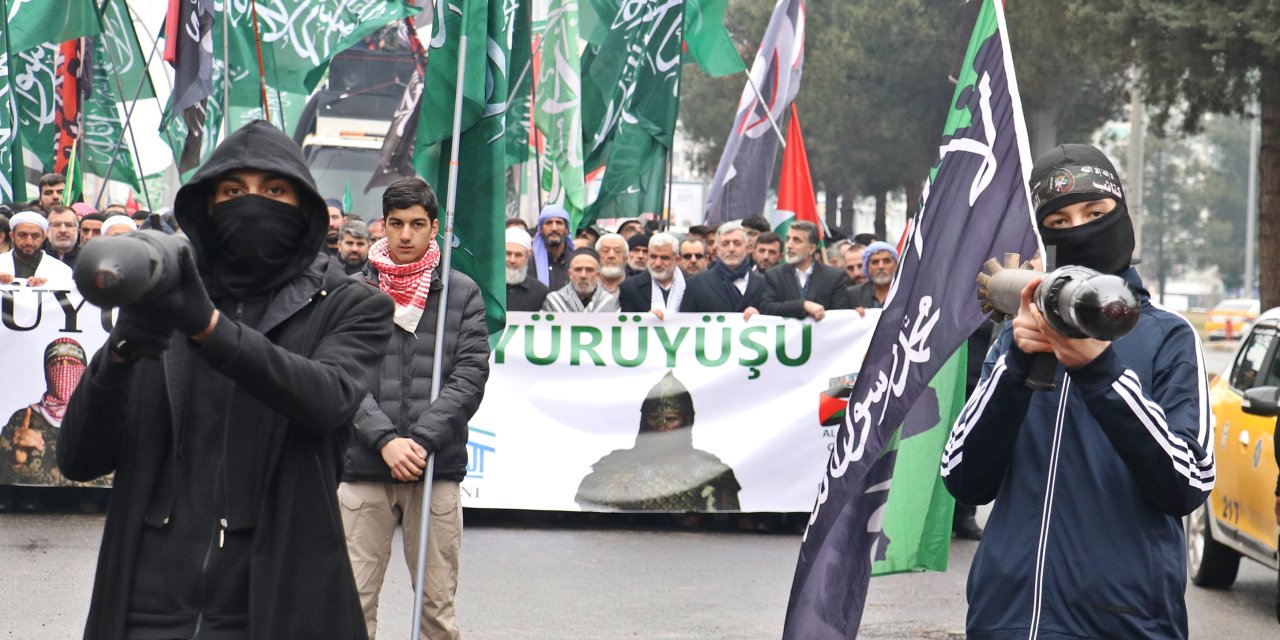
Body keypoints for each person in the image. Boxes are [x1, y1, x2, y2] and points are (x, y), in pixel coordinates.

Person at [57, 120, 394, 639]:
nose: (251, 203)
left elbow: (326, 400)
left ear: (304, 209)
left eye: (274, 190)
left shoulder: (353, 305)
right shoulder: (163, 300)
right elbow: (79, 458)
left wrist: (210, 329)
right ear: (205, 207)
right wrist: (119, 357)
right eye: (233, 191)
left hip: (277, 609)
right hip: (147, 611)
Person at [940, 143, 1213, 639]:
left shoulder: (1167, 336)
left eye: (1095, 212)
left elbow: (1187, 483)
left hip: (1126, 622)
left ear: (1122, 214)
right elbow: (963, 478)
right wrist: (1018, 363)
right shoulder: (1017, 334)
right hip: (1007, 618)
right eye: (1059, 222)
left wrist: (1101, 372)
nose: (1079, 228)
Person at [340, 177, 489, 640]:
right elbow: (339, 377)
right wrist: (384, 440)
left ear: (435, 228)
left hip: (435, 469)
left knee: (437, 611)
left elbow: (471, 375)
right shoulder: (351, 292)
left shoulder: (461, 293)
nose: (406, 235)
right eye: (397, 224)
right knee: (351, 604)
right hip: (363, 466)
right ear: (381, 227)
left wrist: (421, 441)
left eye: (418, 225)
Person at [575, 371, 741, 511]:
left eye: (671, 418)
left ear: (686, 421)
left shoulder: (707, 470)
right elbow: (596, 516)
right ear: (644, 421)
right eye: (654, 418)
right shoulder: (617, 466)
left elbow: (723, 525)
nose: (662, 426)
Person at [758, 221, 851, 321]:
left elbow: (840, 315)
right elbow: (766, 308)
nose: (789, 245)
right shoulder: (774, 275)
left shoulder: (834, 277)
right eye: (788, 239)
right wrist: (803, 305)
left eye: (797, 240)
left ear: (812, 248)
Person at [681, 221, 765, 315]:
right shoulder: (695, 284)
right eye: (725, 244)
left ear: (747, 248)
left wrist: (760, 316)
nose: (731, 249)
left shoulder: (764, 283)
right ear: (716, 249)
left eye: (737, 243)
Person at [0, 211, 74, 287]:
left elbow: (66, 297)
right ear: (12, 236)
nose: (29, 242)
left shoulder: (62, 271)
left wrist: (46, 286)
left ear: (43, 237)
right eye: (22, 235)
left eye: (35, 236)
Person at [619, 233, 685, 317]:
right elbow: (626, 325)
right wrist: (646, 321)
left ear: (677, 260)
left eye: (664, 258)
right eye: (653, 257)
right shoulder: (630, 287)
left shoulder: (692, 286)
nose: (657, 263)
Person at [542, 248, 620, 313]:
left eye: (589, 270)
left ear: (598, 275)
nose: (583, 275)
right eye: (578, 269)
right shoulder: (554, 301)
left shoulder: (611, 302)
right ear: (570, 274)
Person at [528, 204, 575, 291]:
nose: (554, 228)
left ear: (567, 229)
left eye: (559, 223)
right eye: (549, 223)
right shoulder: (529, 263)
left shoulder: (576, 262)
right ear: (541, 229)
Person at [505, 226, 550, 312]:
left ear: (527, 257)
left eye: (518, 255)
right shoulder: (485, 288)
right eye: (508, 253)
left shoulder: (541, 292)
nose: (512, 260)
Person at [848, 241, 898, 312]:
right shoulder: (853, 294)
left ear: (896, 265)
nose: (881, 266)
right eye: (875, 262)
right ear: (867, 266)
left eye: (886, 261)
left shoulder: (907, 292)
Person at [595, 233, 629, 297]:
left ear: (625, 259)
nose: (611, 255)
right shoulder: (587, 286)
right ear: (596, 256)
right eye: (605, 251)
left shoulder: (635, 289)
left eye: (617, 251)